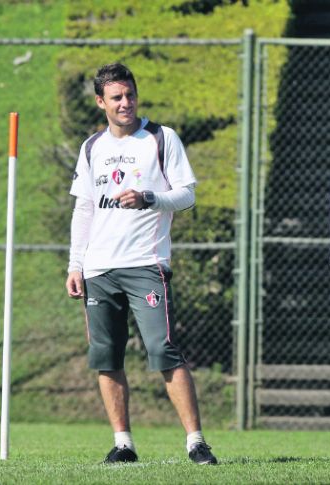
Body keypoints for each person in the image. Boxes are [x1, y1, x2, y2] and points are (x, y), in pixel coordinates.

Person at [65, 63, 217, 466]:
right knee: (106, 356)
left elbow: (186, 196)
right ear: (101, 102)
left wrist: (150, 197)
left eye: (129, 95)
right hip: (98, 270)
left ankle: (196, 442)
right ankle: (123, 444)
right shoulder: (91, 147)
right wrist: (75, 264)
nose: (125, 103)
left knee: (163, 349)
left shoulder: (161, 138)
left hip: (146, 265)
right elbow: (84, 209)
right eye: (116, 97)